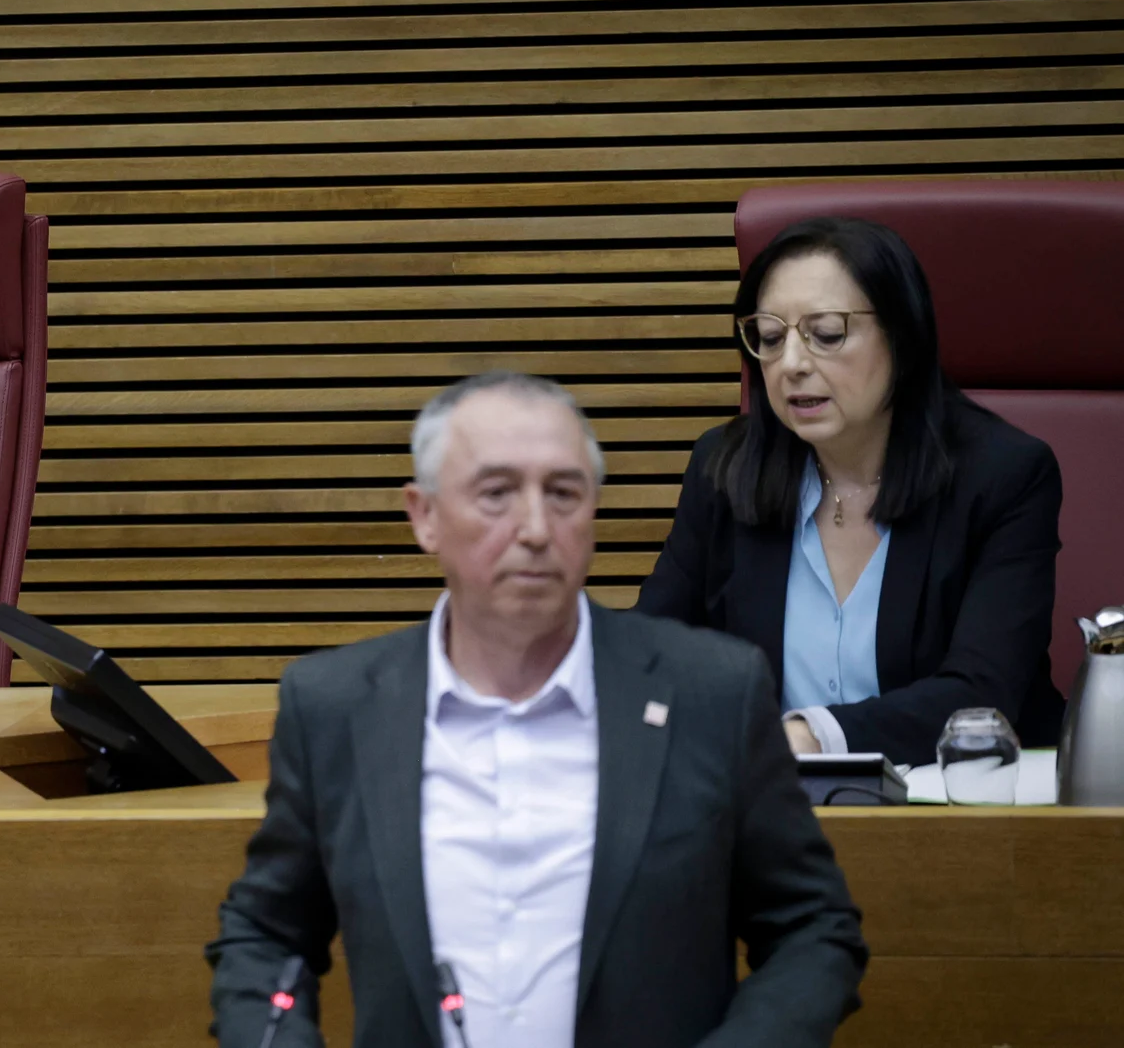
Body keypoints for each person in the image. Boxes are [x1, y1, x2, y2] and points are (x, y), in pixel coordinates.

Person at [207, 372, 866, 1048]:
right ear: (424, 515)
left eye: (563, 493)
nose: (534, 528)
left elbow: (813, 929)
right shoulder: (336, 707)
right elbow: (268, 936)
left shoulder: (711, 693)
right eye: (496, 494)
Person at [635, 217, 1062, 766]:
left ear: (901, 336)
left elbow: (980, 698)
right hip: (771, 818)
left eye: (827, 334)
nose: (791, 364)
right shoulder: (724, 468)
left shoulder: (1004, 476)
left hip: (970, 817)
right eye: (769, 337)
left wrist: (807, 738)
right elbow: (648, 655)